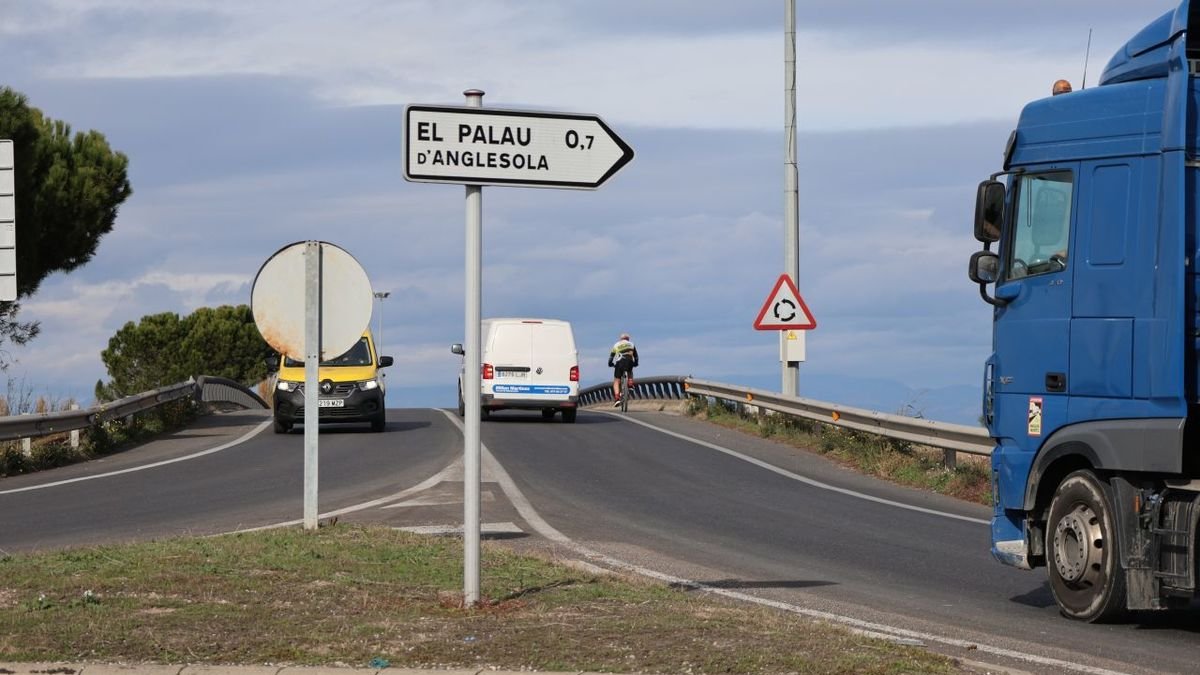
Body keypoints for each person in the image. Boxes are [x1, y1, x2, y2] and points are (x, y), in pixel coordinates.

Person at [608, 332, 639, 407]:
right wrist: (636, 363)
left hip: (620, 363)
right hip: (629, 362)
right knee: (630, 370)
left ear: (620, 339)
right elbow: (636, 356)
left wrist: (610, 363)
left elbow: (611, 357)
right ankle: (630, 383)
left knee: (616, 380)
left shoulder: (616, 345)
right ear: (628, 339)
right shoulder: (631, 344)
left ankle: (617, 398)